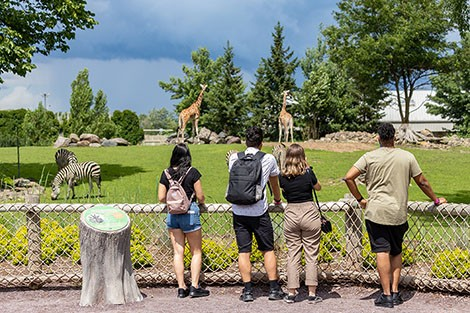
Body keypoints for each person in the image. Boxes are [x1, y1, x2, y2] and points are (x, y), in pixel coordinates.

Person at [343, 123, 447, 308]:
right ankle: (396, 291)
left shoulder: (369, 157)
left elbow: (349, 177)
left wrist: (360, 199)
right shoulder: (407, 157)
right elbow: (422, 181)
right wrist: (436, 199)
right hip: (398, 212)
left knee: (382, 251)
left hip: (376, 213)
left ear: (378, 138)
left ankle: (386, 294)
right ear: (394, 138)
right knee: (396, 251)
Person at [227, 126, 285, 302]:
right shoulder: (268, 158)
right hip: (259, 211)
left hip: (239, 210)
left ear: (245, 141)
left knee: (244, 251)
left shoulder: (234, 158)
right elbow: (274, 182)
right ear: (262, 142)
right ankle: (274, 288)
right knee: (267, 249)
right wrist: (277, 199)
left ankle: (247, 290)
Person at [158, 143, 210, 298]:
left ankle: (181, 287)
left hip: (173, 215)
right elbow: (200, 196)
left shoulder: (165, 173)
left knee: (178, 252)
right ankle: (194, 286)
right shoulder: (192, 172)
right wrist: (200, 202)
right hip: (190, 213)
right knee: (196, 251)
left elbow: (161, 197)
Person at [278, 144, 323, 304]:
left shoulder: (282, 176)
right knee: (311, 254)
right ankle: (311, 292)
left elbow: (283, 191)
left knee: (293, 254)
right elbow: (318, 188)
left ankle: (291, 292)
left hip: (291, 213)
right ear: (303, 157)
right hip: (309, 212)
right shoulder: (308, 173)